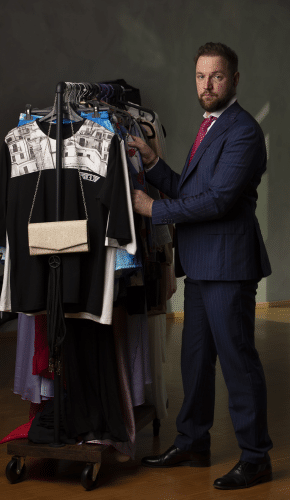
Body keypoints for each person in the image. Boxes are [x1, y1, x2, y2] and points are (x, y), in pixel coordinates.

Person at [129, 42, 273, 490]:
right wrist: (154, 166)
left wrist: (154, 209)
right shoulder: (208, 127)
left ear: (233, 80)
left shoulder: (244, 131)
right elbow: (190, 191)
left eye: (216, 76)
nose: (206, 85)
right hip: (202, 266)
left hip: (229, 266)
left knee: (238, 363)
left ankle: (256, 457)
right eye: (200, 76)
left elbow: (217, 201)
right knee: (194, 361)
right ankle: (193, 442)